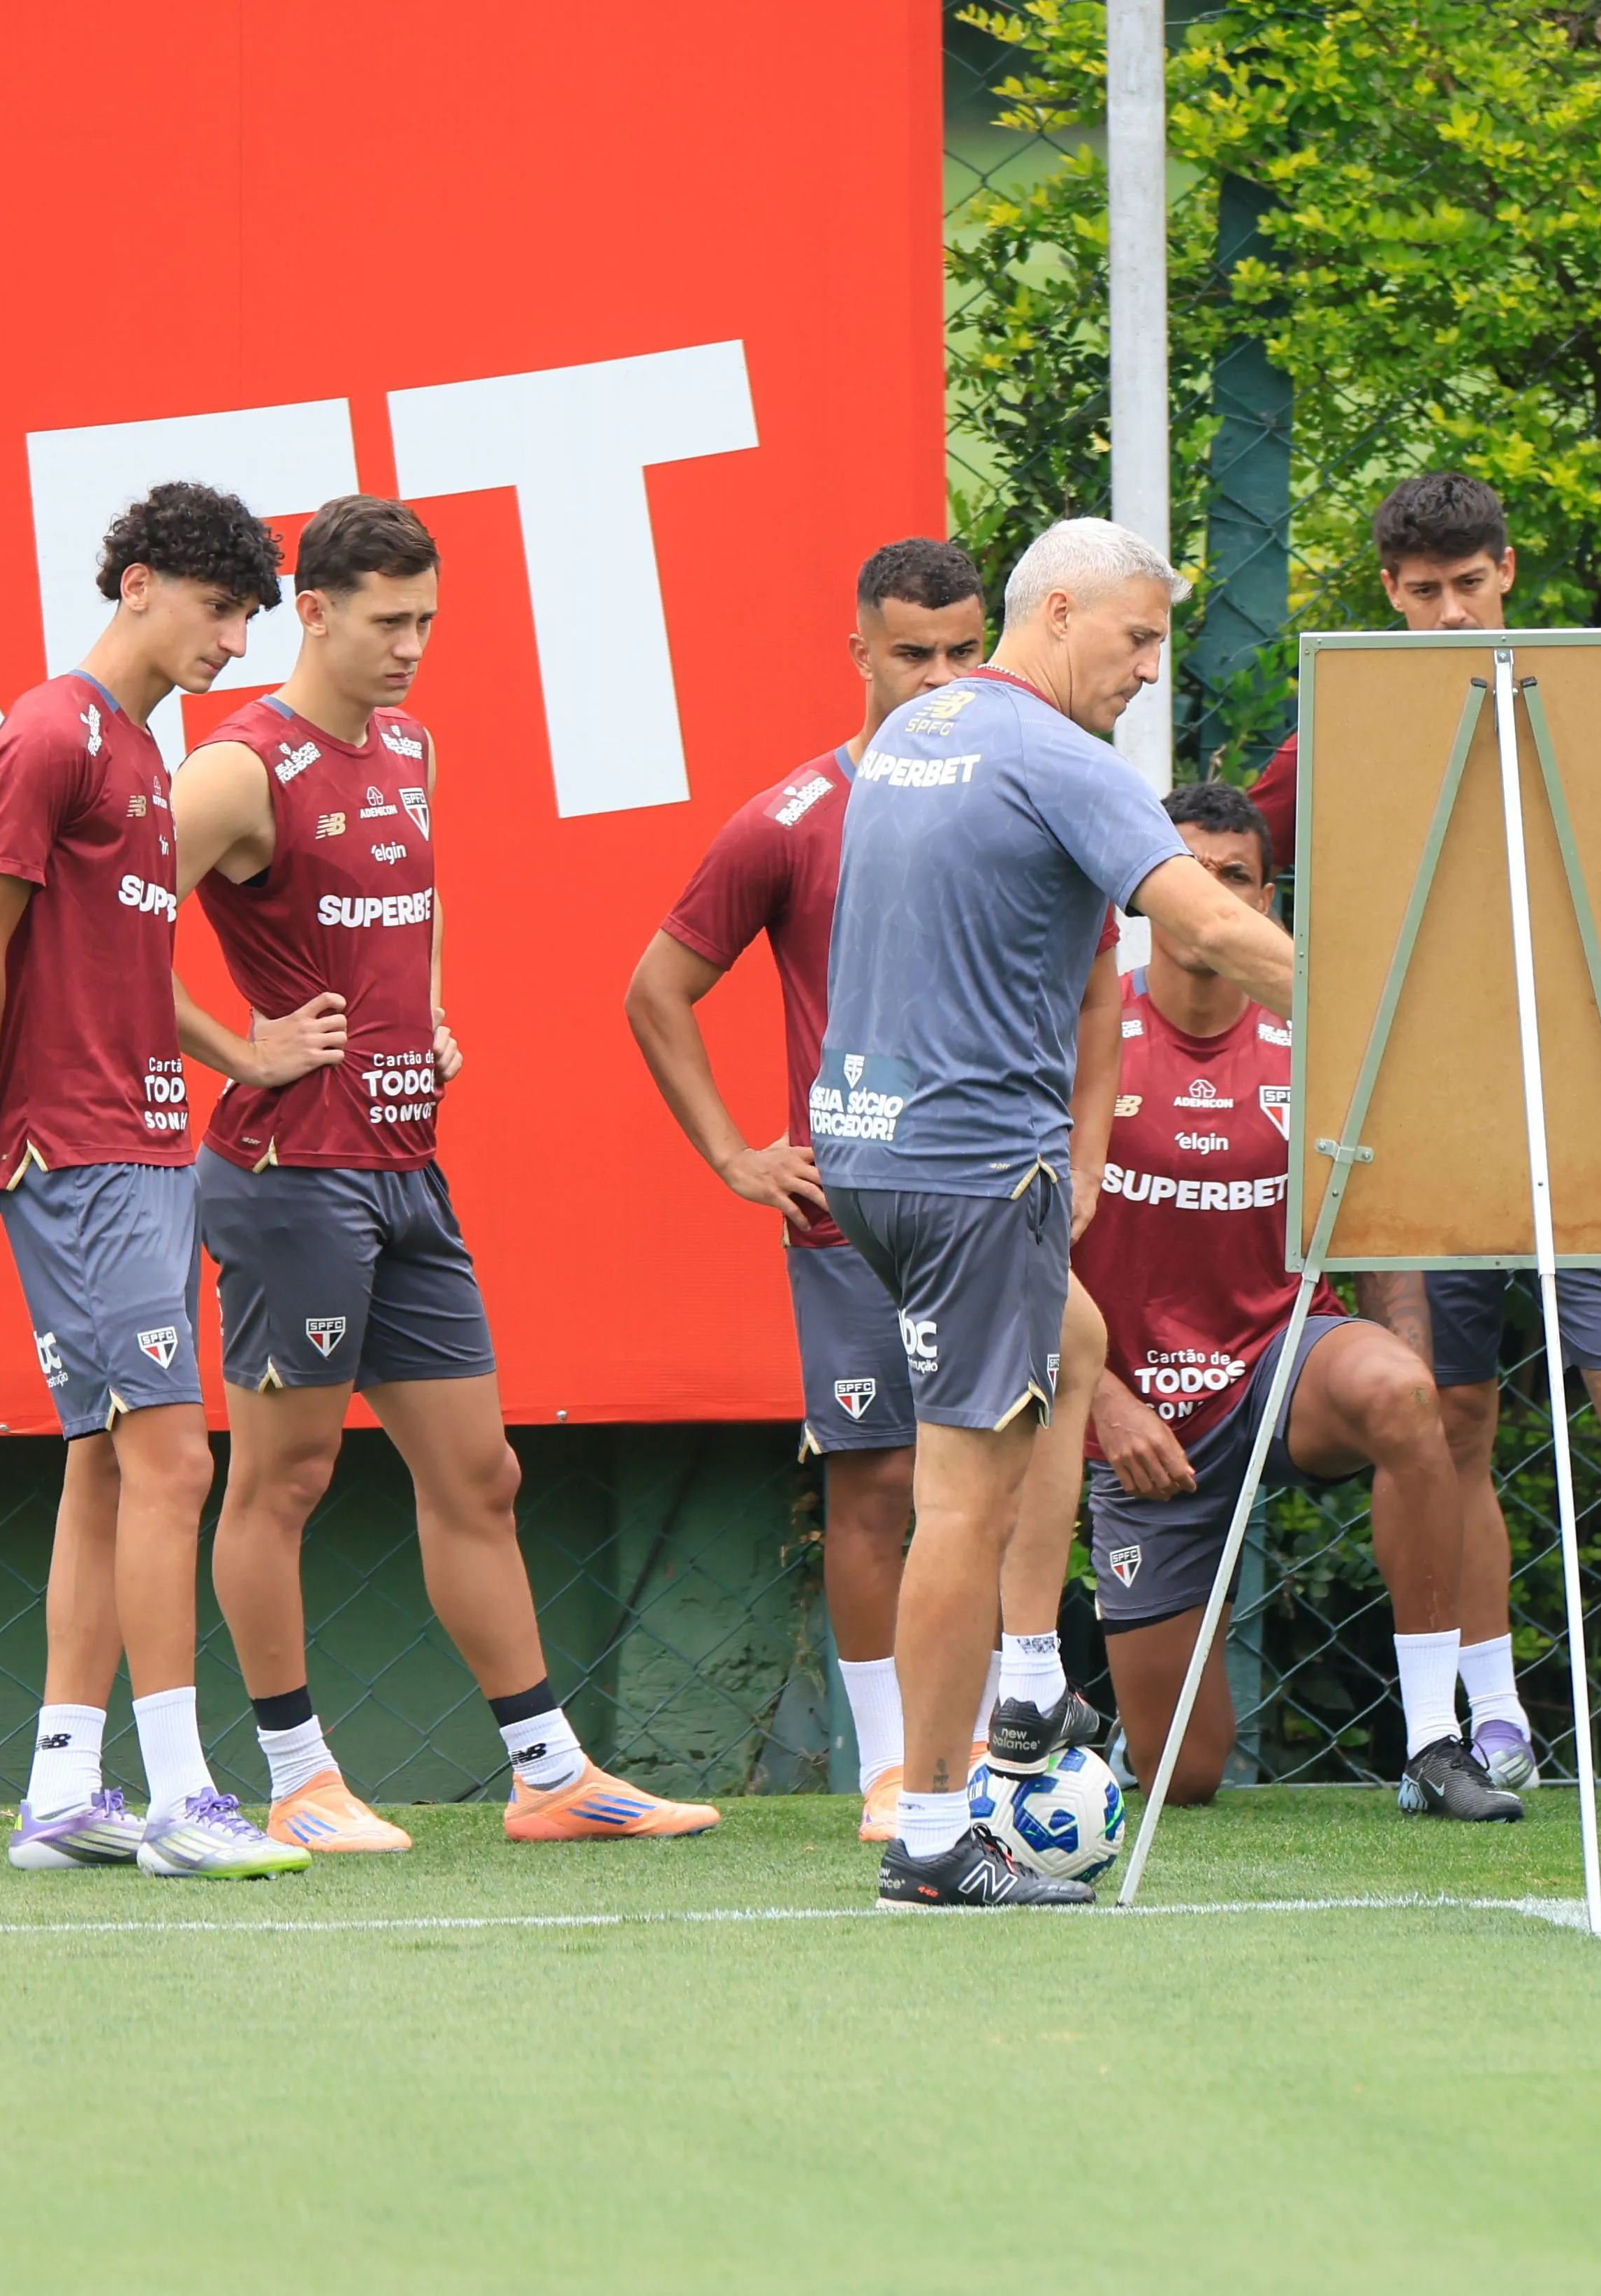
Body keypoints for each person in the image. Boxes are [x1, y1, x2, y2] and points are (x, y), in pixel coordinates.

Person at [173, 495, 717, 1852]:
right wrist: (245, 1046)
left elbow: (411, 905)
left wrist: (426, 1012)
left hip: (408, 1165)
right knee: (282, 1481)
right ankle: (299, 1777)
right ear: (313, 612)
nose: (413, 646)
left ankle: (549, 1771)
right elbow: (104, 930)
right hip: (292, 1173)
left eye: (427, 620)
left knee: (481, 1476)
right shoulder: (240, 767)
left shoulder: (412, 745)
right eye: (387, 621)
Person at [819, 515, 1295, 1909]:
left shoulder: (913, 730)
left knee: (1072, 1344)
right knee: (960, 1500)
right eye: (1140, 637)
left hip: (871, 1153)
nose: (1152, 667)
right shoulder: (1060, 758)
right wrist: (1378, 1003)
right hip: (978, 1167)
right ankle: (929, 1830)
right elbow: (1197, 926)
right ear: (1067, 609)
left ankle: (1028, 1687)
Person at [1250, 474, 1601, 1791]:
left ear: (1509, 572)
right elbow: (1227, 872)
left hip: (1590, 1111)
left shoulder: (1591, 703)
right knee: (1449, 1415)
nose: (1450, 610)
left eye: (1470, 584)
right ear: (1389, 593)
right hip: (1416, 1116)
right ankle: (1492, 1708)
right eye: (1422, 592)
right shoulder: (1345, 723)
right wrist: (1333, 1021)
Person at [0, 483, 312, 1880]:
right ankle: (183, 1797)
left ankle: (64, 1788)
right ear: (138, 584)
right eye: (217, 607)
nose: (232, 638)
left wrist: (239, 1046)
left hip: (142, 1141)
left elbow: (131, 961)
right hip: (77, 1153)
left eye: (248, 616)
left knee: (105, 1462)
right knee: (172, 1456)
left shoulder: (145, 755)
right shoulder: (46, 733)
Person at [629, 538, 993, 1843]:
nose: (943, 677)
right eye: (914, 654)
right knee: (879, 1485)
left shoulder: (1021, 793)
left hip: (997, 1203)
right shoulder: (790, 819)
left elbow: (1088, 998)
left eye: (965, 651)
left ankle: (988, 1749)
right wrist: (737, 1153)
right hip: (852, 1217)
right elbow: (655, 990)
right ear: (860, 653)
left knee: (993, 1480)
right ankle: (893, 1769)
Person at [1068, 783, 1507, 1818]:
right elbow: (1021, 1244)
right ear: (1147, 897)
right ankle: (1056, 1705)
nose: (1210, 896)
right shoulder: (1088, 1036)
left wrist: (1412, 1401)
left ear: (1268, 903)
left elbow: (1381, 1228)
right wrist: (1104, 1402)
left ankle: (1437, 1741)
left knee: (1405, 1394)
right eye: (1189, 875)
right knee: (1185, 1774)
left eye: (1235, 877)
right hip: (1141, 1411)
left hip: (1280, 1363)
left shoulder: (1317, 1044)